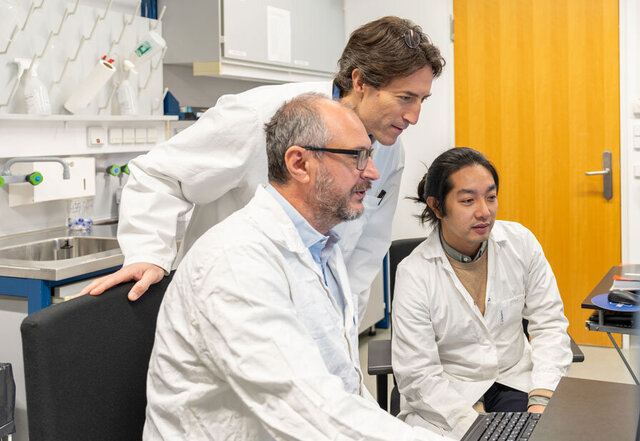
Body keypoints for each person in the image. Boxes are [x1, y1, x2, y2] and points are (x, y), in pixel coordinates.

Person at [81, 16, 445, 321]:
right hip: (229, 299)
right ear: (360, 81)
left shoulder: (387, 146)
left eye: (422, 100)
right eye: (405, 98)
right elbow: (159, 174)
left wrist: (340, 320)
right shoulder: (261, 116)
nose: (414, 117)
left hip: (310, 309)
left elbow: (368, 245)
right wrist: (148, 254)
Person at [144, 94, 455, 441]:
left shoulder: (322, 247)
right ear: (300, 164)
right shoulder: (236, 262)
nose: (373, 172)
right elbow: (308, 410)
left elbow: (344, 387)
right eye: (358, 157)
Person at [390, 147, 572, 438]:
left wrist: (541, 398)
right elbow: (418, 374)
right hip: (449, 396)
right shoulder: (415, 272)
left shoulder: (520, 243)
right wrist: (473, 423)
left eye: (491, 197)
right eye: (467, 200)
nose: (484, 212)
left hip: (515, 382)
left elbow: (549, 323)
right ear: (437, 207)